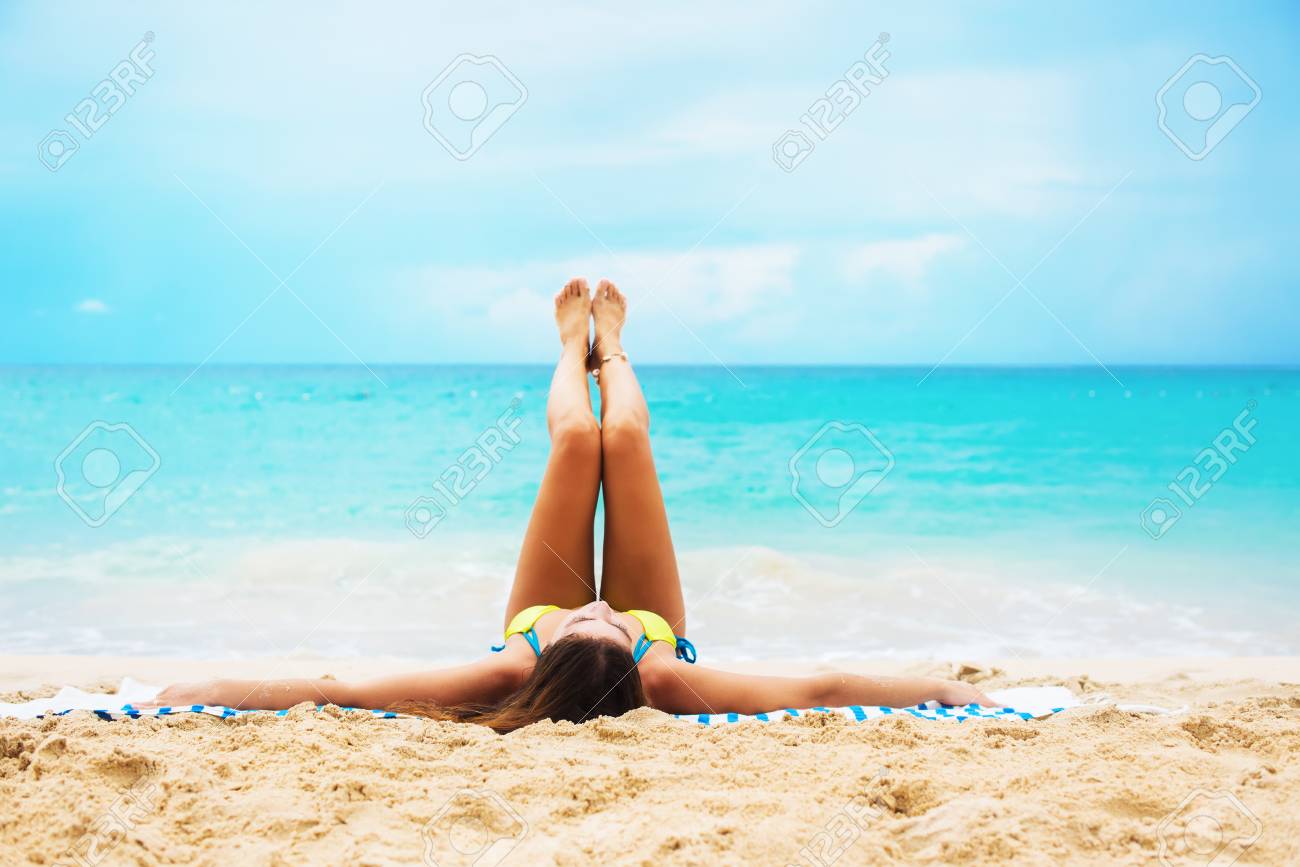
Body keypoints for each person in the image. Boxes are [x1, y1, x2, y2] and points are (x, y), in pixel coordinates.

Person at [146, 279, 993, 731]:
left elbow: (341, 691)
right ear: (633, 655)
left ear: (545, 657)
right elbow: (820, 686)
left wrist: (198, 688)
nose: (597, 605)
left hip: (530, 617)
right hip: (661, 625)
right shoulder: (665, 672)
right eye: (606, 622)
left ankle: (565, 351)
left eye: (582, 621)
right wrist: (949, 691)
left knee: (576, 442)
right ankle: (611, 350)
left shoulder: (507, 667)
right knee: (624, 439)